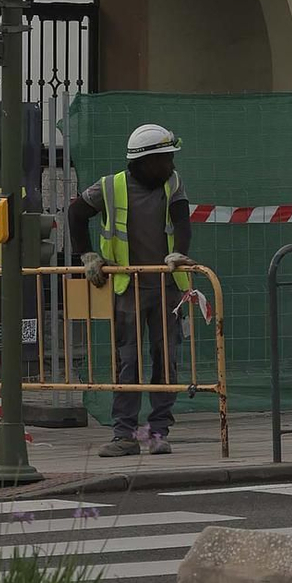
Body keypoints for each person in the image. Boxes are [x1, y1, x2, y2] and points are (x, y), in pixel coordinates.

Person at [68, 123, 192, 458]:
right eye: (165, 158)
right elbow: (76, 213)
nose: (171, 164)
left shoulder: (173, 184)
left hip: (167, 288)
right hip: (129, 289)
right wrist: (87, 255)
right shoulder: (110, 187)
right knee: (127, 363)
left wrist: (179, 253)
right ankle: (125, 435)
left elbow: (182, 222)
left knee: (166, 361)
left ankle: (157, 434)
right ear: (146, 161)